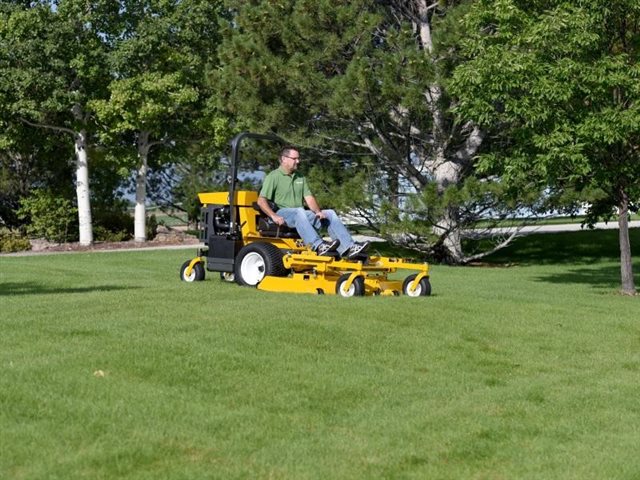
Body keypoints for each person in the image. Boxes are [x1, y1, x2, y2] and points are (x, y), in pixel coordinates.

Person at [257, 146, 370, 258]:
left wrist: (318, 212)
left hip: (300, 215)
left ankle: (349, 247)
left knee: (329, 213)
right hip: (283, 214)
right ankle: (318, 245)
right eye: (294, 158)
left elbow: (309, 198)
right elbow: (261, 201)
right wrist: (274, 216)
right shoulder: (273, 177)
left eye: (298, 158)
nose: (298, 161)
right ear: (284, 159)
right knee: (299, 211)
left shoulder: (300, 177)